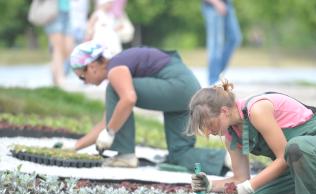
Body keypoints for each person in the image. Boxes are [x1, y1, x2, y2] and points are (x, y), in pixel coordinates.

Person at [188, 80, 316, 194]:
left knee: (296, 147)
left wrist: (248, 188)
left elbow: (282, 158)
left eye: (209, 123)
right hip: (291, 167)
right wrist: (209, 185)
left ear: (224, 111)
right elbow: (241, 178)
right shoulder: (231, 134)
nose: (208, 131)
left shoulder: (257, 110)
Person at [68, 40, 228, 175]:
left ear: (92, 66)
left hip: (177, 86)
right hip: (188, 91)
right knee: (180, 154)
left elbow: (128, 99)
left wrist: (110, 132)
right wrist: (75, 147)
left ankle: (126, 156)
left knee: (116, 91)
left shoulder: (115, 68)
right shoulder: (119, 66)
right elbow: (108, 121)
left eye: (82, 77)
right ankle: (228, 160)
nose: (84, 81)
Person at [202, 0, 242, 85]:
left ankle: (217, 75)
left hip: (227, 4)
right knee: (215, 45)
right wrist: (216, 3)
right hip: (213, 6)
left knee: (234, 38)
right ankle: (213, 81)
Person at [44, 0, 75, 87]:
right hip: (53, 12)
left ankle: (55, 70)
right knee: (57, 47)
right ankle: (60, 78)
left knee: (69, 47)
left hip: (67, 12)